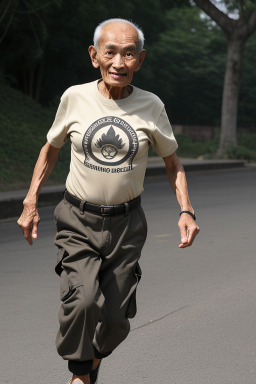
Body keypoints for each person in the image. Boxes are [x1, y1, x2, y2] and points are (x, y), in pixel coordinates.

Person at [17, 18, 199, 384]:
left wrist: (186, 209)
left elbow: (173, 163)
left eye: (129, 54)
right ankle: (80, 374)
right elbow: (51, 149)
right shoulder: (75, 98)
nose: (119, 62)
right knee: (82, 301)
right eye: (111, 52)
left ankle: (93, 361)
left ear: (140, 60)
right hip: (77, 218)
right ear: (94, 55)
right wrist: (30, 200)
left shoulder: (151, 106)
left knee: (116, 320)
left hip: (127, 225)